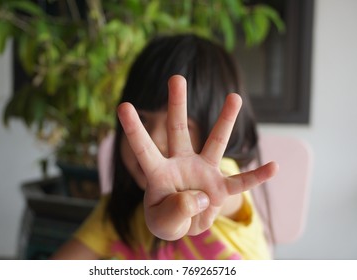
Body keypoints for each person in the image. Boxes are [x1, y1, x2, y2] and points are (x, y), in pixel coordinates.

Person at [52, 34, 278, 260]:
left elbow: (223, 190)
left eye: (178, 125)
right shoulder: (117, 211)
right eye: (142, 119)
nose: (154, 140)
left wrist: (196, 198)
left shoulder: (221, 177)